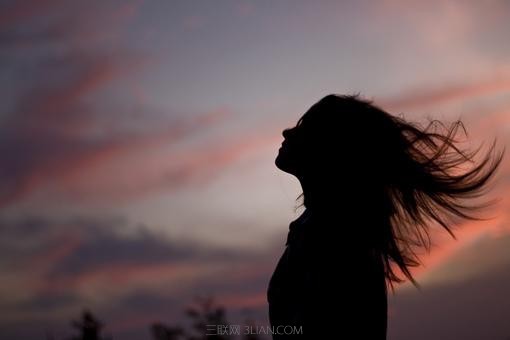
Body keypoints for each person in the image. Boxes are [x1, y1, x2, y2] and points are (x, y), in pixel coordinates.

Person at [267, 94, 504, 339]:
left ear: (334, 149)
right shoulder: (321, 227)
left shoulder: (339, 239)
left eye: (306, 128)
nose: (287, 132)